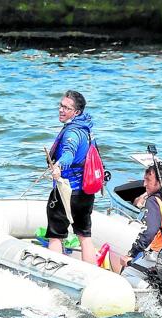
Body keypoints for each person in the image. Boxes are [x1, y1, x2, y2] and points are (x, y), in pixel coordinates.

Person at [46, 90, 96, 264]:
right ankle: (92, 274)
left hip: (67, 191)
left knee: (55, 236)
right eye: (60, 105)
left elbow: (68, 153)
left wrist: (58, 166)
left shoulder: (72, 133)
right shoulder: (86, 129)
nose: (61, 110)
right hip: (85, 192)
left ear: (77, 112)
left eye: (66, 108)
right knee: (85, 236)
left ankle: (55, 274)